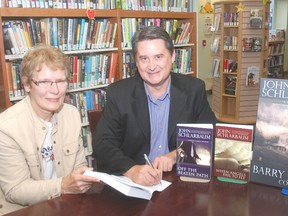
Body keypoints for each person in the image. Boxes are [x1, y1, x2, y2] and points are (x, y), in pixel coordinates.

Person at [92, 26, 217, 186]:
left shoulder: (194, 89)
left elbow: (211, 134)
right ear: (136, 62)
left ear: (172, 56)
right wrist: (131, 169)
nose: (151, 66)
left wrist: (175, 155)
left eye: (158, 57)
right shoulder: (119, 93)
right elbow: (102, 144)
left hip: (179, 180)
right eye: (144, 59)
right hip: (135, 183)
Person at [0, 44, 100, 215]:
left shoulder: (72, 114)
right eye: (44, 82)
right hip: (25, 210)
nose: (55, 90)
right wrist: (63, 185)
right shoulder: (6, 127)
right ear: (27, 84)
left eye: (61, 81)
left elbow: (79, 165)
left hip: (67, 205)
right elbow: (16, 190)